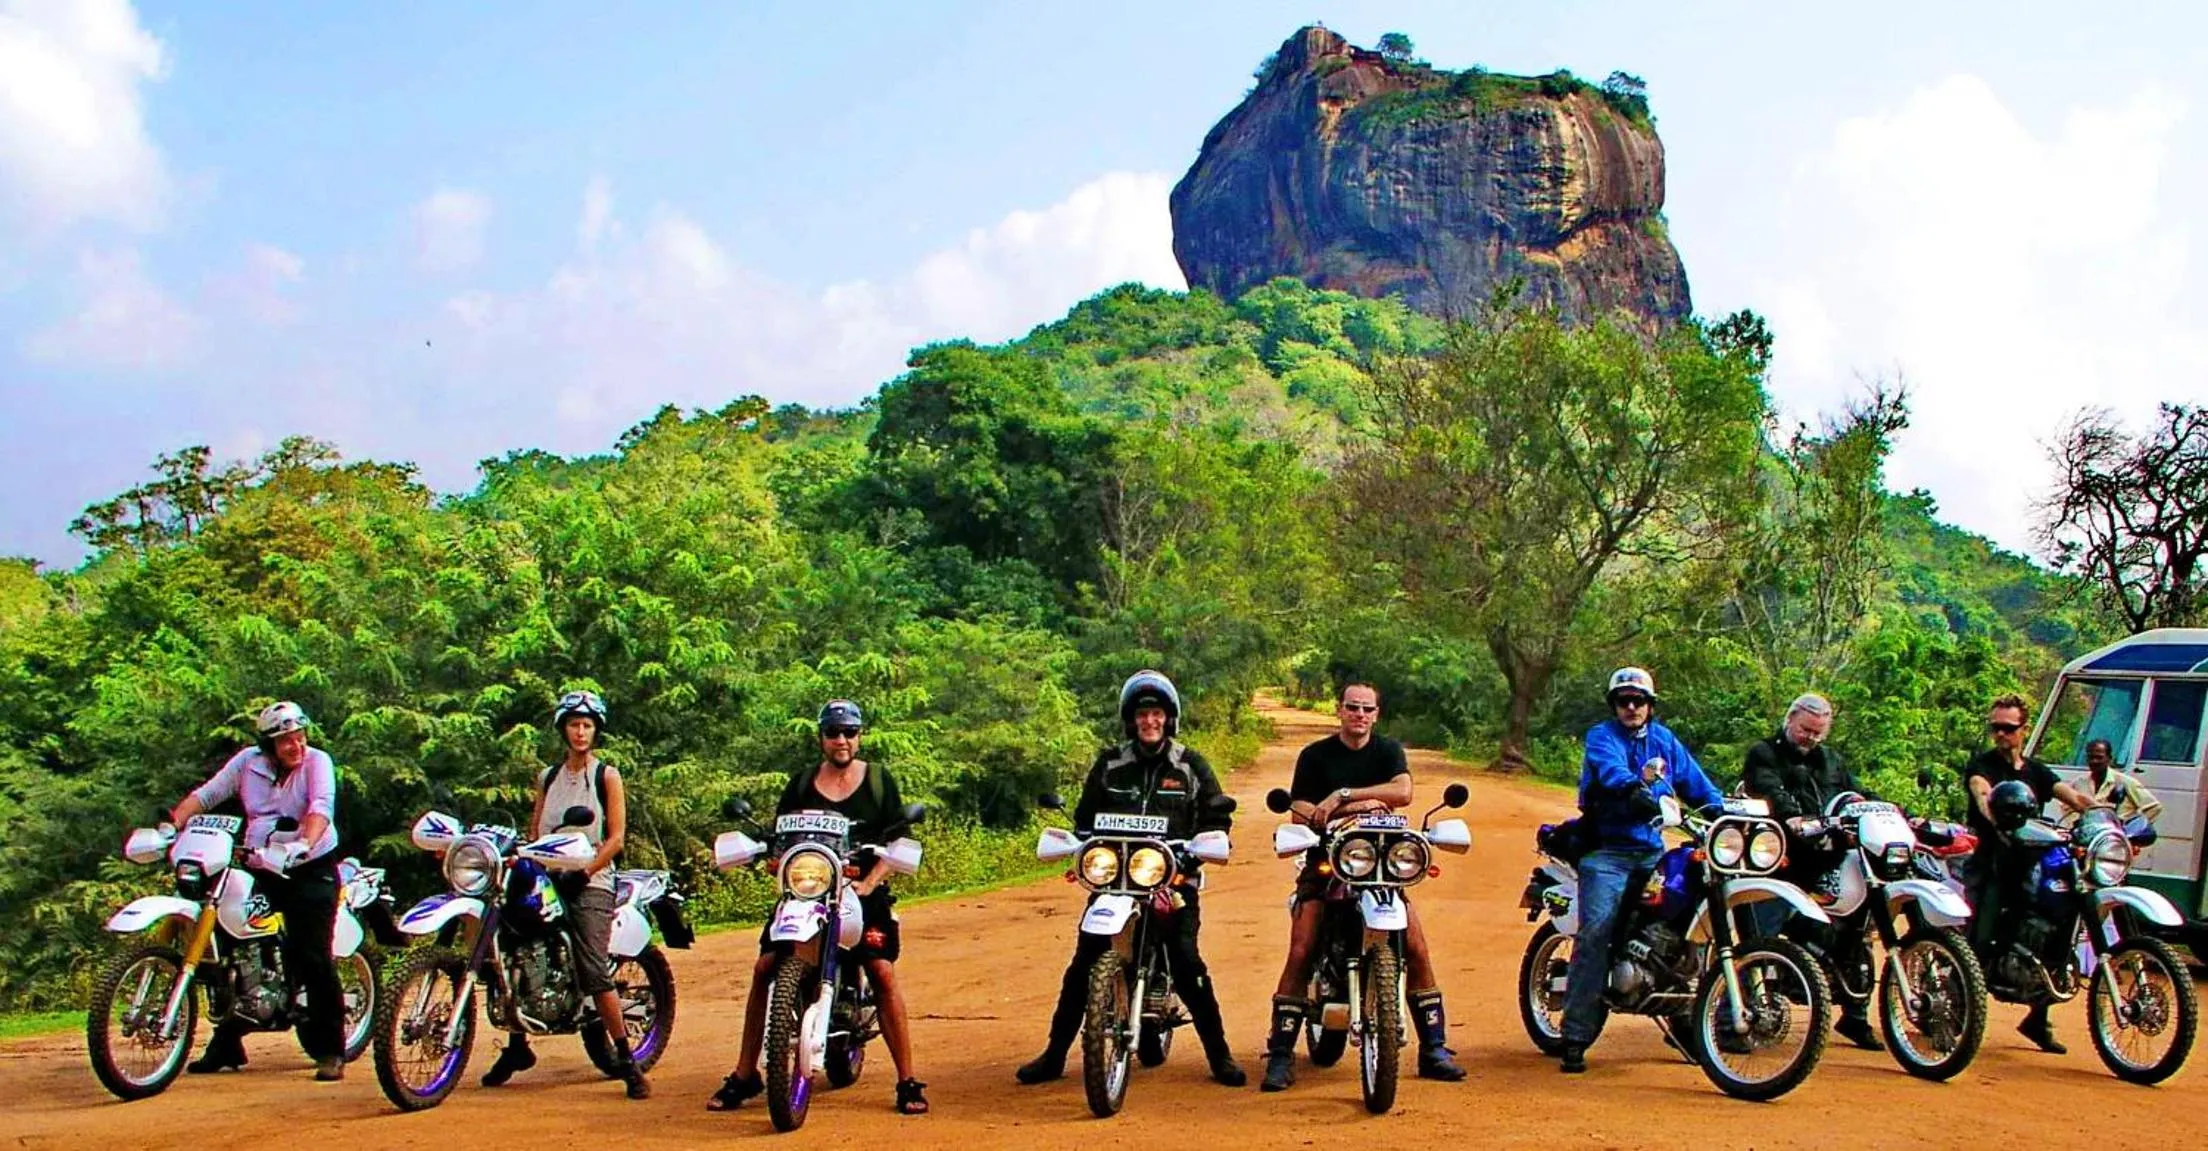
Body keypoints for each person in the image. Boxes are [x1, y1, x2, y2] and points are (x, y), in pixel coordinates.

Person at [1016, 670, 1247, 1088]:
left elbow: (1217, 813)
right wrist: (1076, 842)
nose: (1149, 722)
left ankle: (1220, 1055)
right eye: (1142, 714)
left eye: (1157, 713)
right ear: (1131, 719)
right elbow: (1085, 819)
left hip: (1172, 882)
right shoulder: (1110, 764)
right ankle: (1053, 1056)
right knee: (1083, 963)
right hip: (1115, 882)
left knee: (1186, 959)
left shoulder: (1190, 765)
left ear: (1169, 718)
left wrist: (1202, 847)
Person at [710, 700, 929, 1116]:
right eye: (833, 733)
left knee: (881, 971)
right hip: (806, 892)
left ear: (860, 735)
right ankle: (745, 1073)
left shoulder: (879, 782)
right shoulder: (802, 783)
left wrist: (868, 883)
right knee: (764, 969)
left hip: (861, 891)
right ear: (821, 738)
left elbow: (897, 843)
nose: (841, 740)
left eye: (849, 732)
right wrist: (774, 862)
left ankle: (907, 1081)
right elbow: (779, 841)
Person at [1259, 681, 1465, 1092]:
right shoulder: (1315, 755)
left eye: (1367, 709)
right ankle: (1280, 1054)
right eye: (1352, 707)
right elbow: (1301, 810)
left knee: (1418, 946)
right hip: (1328, 858)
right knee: (1302, 946)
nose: (1359, 715)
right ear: (1340, 710)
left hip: (1382, 865)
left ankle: (1434, 1048)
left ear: (1376, 714)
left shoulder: (1388, 750)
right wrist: (1349, 806)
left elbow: (1403, 792)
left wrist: (1342, 795)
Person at [480, 690, 650, 1099]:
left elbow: (615, 838)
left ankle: (627, 1059)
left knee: (593, 967)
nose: (580, 732)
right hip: (547, 876)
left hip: (591, 879)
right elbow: (536, 831)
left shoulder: (606, 775)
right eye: (574, 724)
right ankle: (518, 1046)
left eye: (587, 725)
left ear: (596, 730)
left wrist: (587, 870)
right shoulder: (548, 777)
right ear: (563, 729)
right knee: (512, 949)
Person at [166, 701, 347, 1082]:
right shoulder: (247, 762)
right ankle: (228, 1041)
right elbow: (207, 795)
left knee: (312, 953)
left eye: (299, 737)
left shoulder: (318, 762)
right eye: (284, 740)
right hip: (258, 862)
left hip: (309, 867)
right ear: (267, 745)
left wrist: (303, 843)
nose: (295, 746)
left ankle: (331, 1050)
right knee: (230, 943)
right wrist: (172, 825)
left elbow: (320, 807)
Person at [1558, 667, 1724, 1074]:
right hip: (1607, 853)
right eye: (1623, 700)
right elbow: (1612, 771)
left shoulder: (1664, 740)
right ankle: (1575, 1034)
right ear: (1614, 705)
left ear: (1651, 705)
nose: (1631, 707)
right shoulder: (1602, 736)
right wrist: (1636, 791)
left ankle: (1686, 1019)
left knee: (1687, 920)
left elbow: (1698, 784)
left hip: (1651, 851)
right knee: (1596, 932)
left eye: (1639, 700)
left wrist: (1723, 812)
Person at [1739, 692, 1882, 1051]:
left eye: (1818, 732)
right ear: (1790, 721)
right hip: (1779, 860)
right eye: (1805, 730)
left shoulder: (1831, 760)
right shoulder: (1764, 753)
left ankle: (1856, 1014)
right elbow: (1770, 790)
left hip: (1826, 859)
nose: (1811, 738)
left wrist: (1885, 809)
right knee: (1759, 931)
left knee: (1856, 925)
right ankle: (1729, 1016)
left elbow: (1856, 792)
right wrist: (1794, 819)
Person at [1963, 692, 2099, 1055]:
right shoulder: (1983, 766)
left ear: (2024, 729)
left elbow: (2071, 795)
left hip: (2034, 866)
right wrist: (1994, 815)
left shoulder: (2035, 771)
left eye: (2008, 728)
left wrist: (2104, 817)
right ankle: (1958, 1013)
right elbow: (1981, 792)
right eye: (1995, 728)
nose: (2001, 735)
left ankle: (2037, 1019)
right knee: (1981, 938)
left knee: (2059, 929)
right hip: (1994, 863)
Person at [2081, 738, 2164, 826]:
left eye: (2099, 757)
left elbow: (2154, 807)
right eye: (2091, 757)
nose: (2094, 761)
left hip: (2117, 835)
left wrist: (2132, 829)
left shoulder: (2125, 782)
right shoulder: (2080, 783)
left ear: (2109, 759)